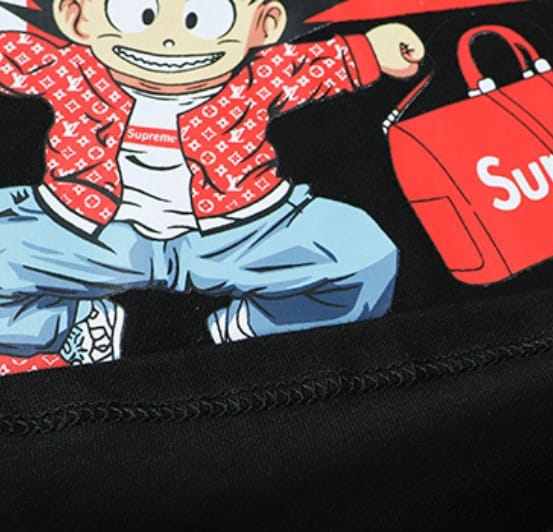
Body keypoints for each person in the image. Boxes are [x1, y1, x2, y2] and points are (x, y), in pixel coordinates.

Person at [0, 0, 425, 365]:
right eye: (138, 13)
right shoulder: (70, 70)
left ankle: (252, 331)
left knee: (365, 256)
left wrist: (374, 50)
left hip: (239, 231)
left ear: (265, 26)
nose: (168, 40)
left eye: (203, 18)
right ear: (77, 18)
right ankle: (75, 325)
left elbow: (313, 67)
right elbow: (13, 57)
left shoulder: (257, 78)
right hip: (87, 234)